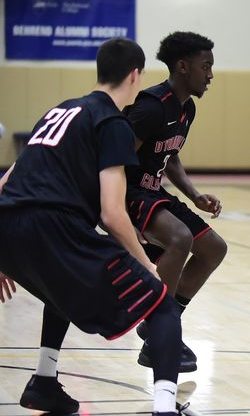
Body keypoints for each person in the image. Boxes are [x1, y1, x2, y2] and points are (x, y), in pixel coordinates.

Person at [0, 38, 183, 415]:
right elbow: (112, 214)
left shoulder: (59, 111)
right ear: (136, 75)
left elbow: (6, 183)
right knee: (162, 304)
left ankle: (44, 382)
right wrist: (148, 267)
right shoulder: (112, 121)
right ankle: (164, 406)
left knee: (60, 290)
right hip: (53, 226)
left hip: (7, 226)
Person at [124, 31, 228, 373]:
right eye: (206, 66)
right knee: (180, 238)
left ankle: (159, 326)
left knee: (214, 247)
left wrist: (194, 195)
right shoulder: (151, 106)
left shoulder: (188, 108)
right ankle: (159, 331)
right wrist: (116, 214)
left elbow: (170, 156)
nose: (211, 74)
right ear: (183, 67)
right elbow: (116, 157)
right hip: (130, 192)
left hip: (155, 191)